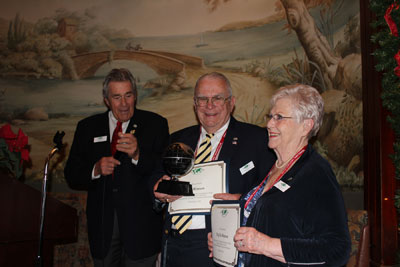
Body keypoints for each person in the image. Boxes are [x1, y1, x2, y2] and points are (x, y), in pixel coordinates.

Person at [208, 84, 351, 266]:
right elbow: (275, 215)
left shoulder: (315, 172)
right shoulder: (275, 165)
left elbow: (337, 249)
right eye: (271, 116)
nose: (269, 124)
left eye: (279, 117)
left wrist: (265, 245)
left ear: (306, 126)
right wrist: (226, 240)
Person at [154, 72, 276, 267]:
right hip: (174, 246)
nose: (209, 106)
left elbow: (273, 194)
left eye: (217, 98)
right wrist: (158, 192)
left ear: (231, 102)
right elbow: (156, 181)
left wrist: (241, 200)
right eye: (202, 99)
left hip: (219, 247)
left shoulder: (256, 140)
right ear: (195, 104)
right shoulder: (177, 140)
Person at [64, 68, 169, 267]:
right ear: (106, 100)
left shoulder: (155, 124)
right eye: (117, 97)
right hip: (103, 230)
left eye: (128, 95)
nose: (124, 104)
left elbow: (164, 169)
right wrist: (95, 169)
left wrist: (138, 155)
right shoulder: (87, 127)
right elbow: (71, 174)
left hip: (142, 231)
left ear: (135, 96)